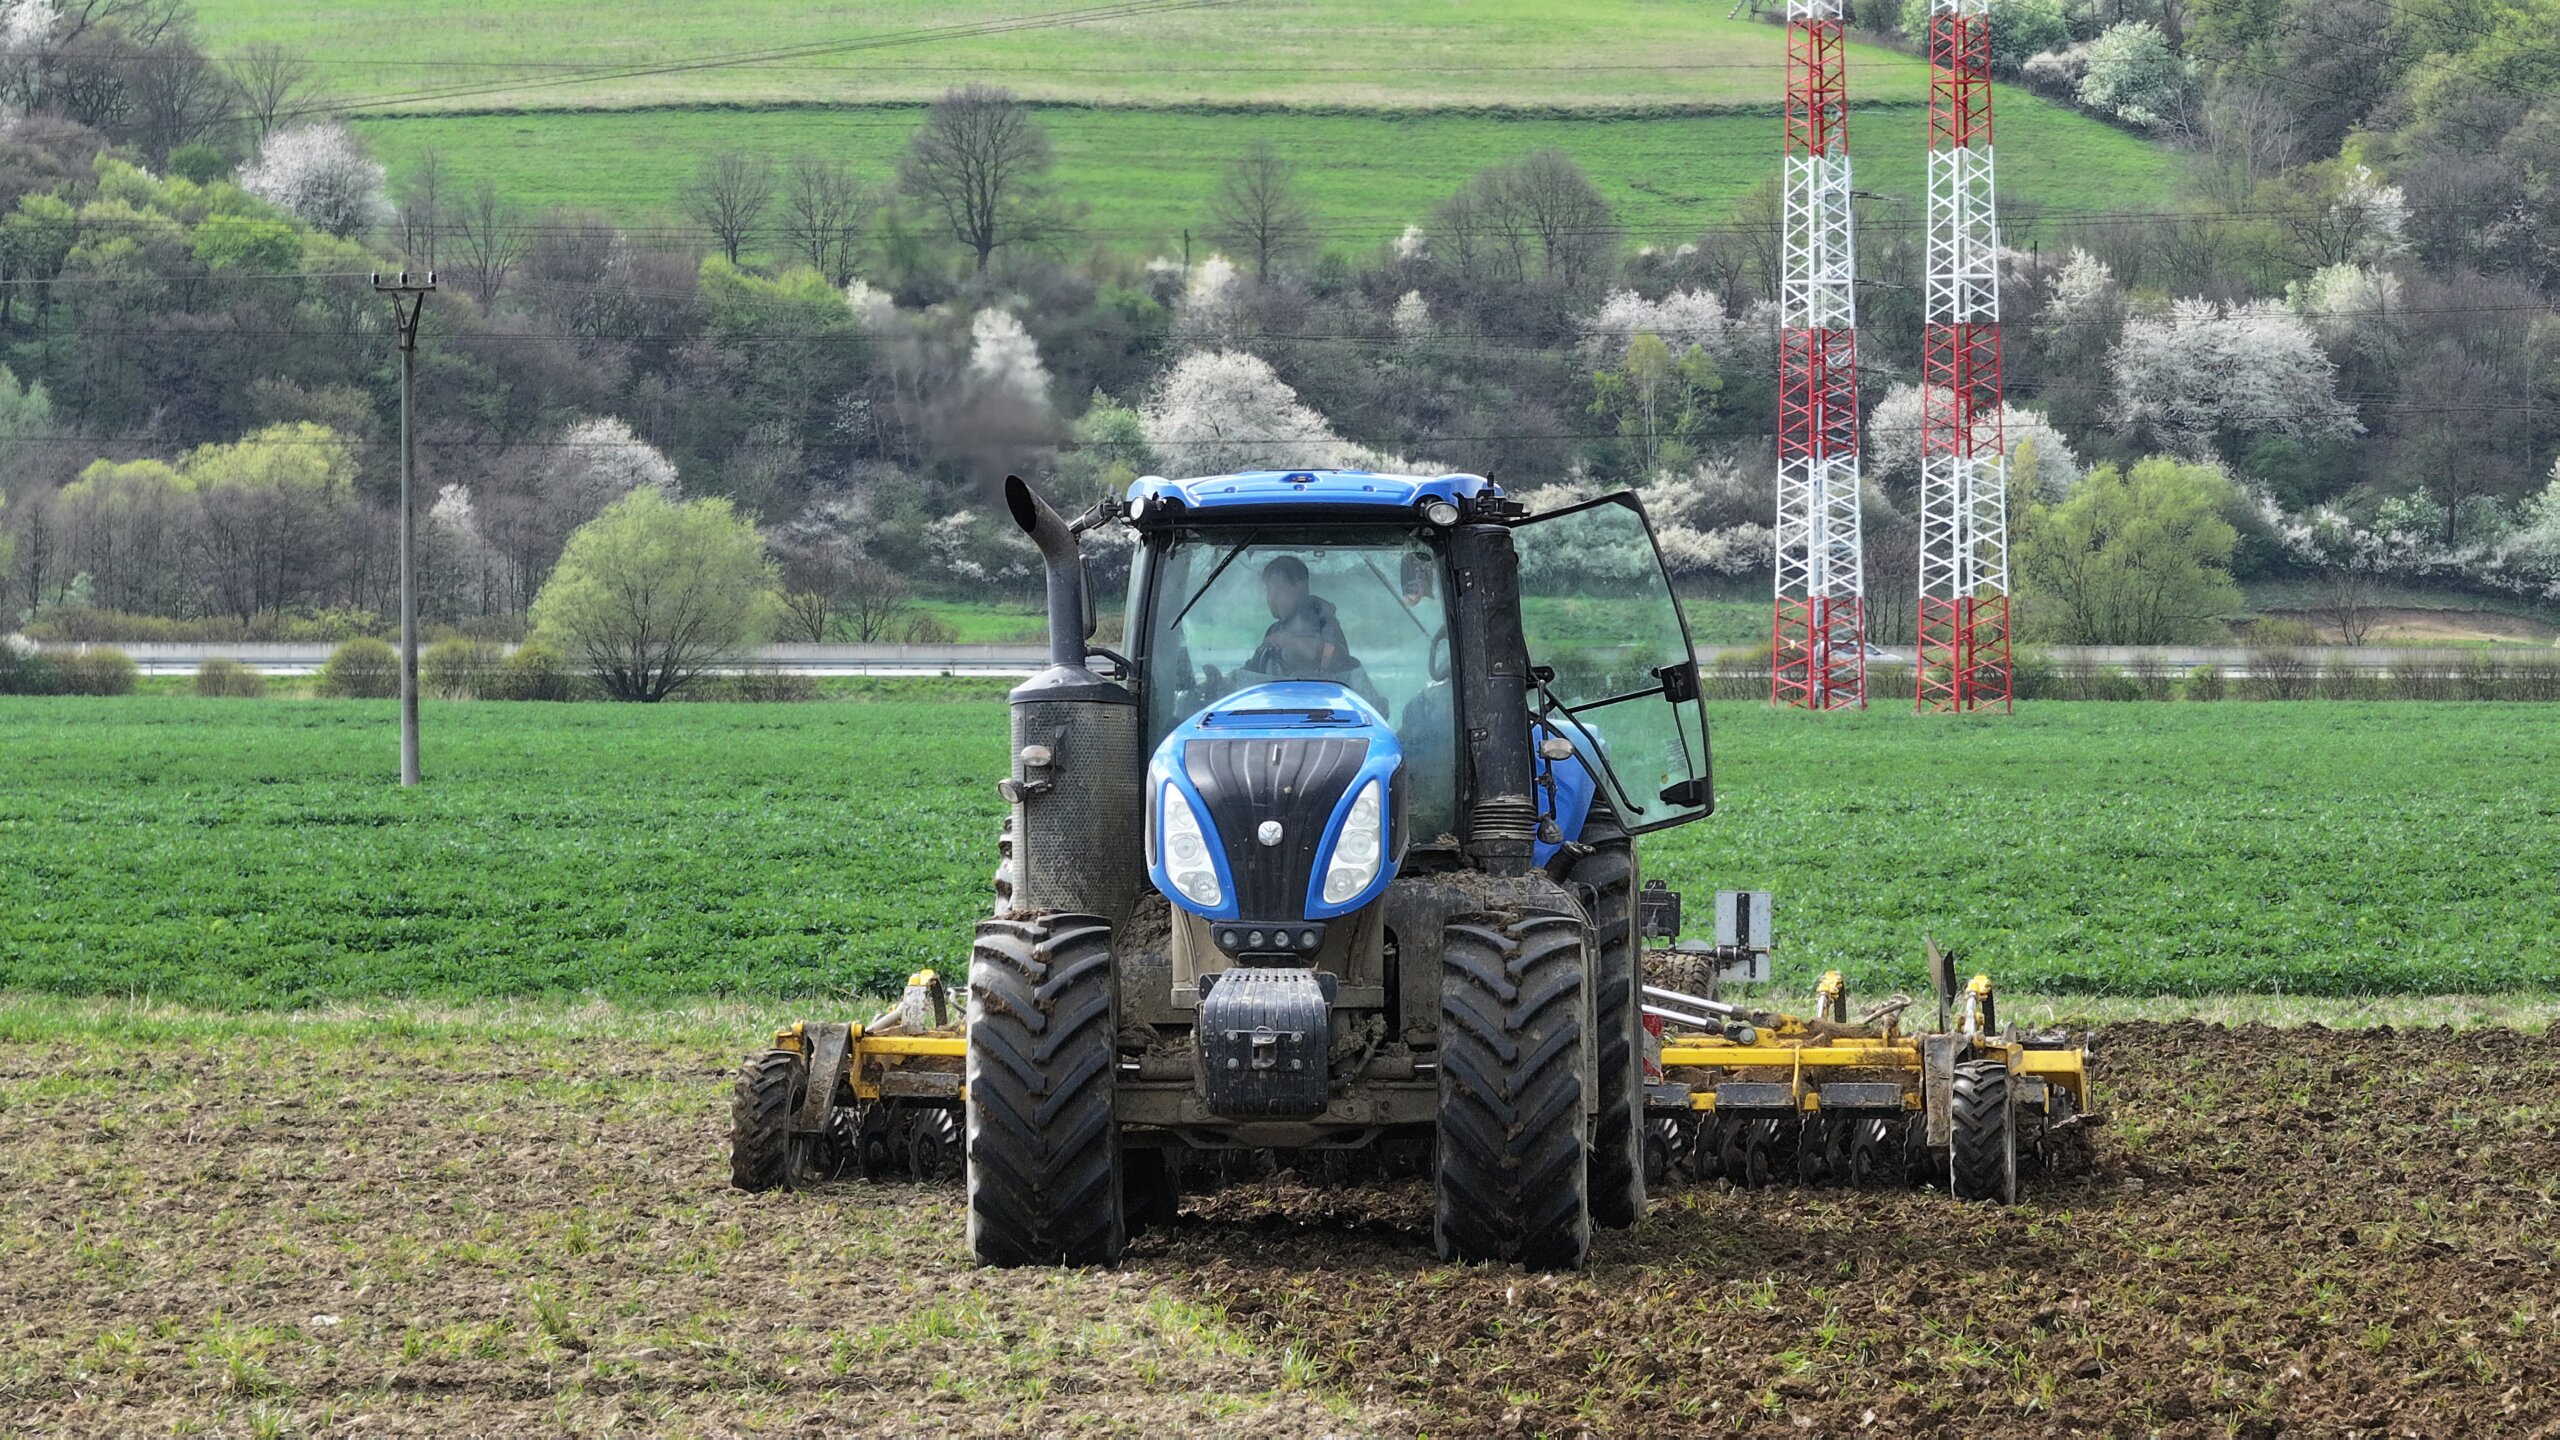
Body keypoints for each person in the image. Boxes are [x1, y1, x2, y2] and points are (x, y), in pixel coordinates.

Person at [1245, 556, 1360, 678]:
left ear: (1302, 587)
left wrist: (1291, 641)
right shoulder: (1274, 630)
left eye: (1279, 591)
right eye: (1268, 591)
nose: (1272, 599)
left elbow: (1336, 660)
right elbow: (1253, 671)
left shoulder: (1324, 624)